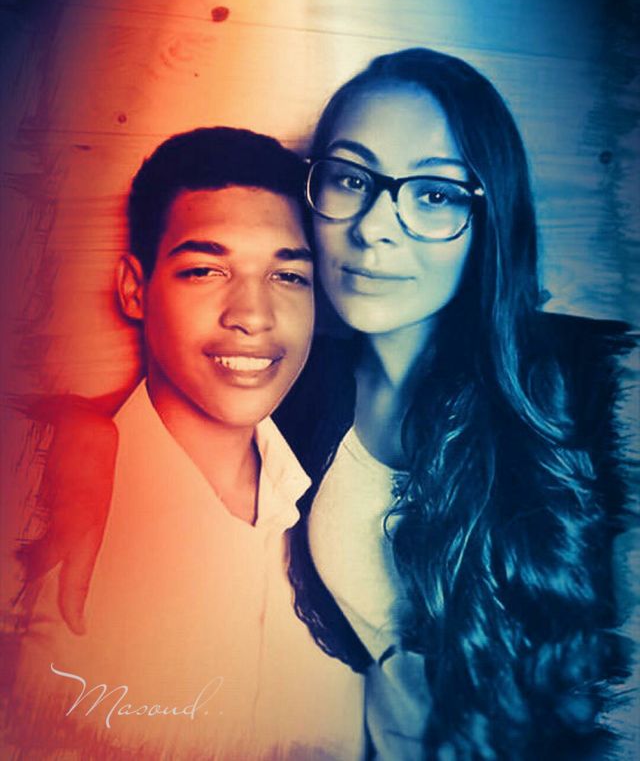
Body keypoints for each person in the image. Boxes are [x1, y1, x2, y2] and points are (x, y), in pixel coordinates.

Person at [14, 50, 636, 759]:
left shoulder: (590, 386)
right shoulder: (302, 394)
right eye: (351, 179)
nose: (375, 227)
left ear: (489, 215)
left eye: (434, 193)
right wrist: (77, 440)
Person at [8, 127, 365, 759]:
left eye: (288, 276)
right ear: (135, 289)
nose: (252, 315)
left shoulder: (341, 517)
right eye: (205, 270)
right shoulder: (37, 499)